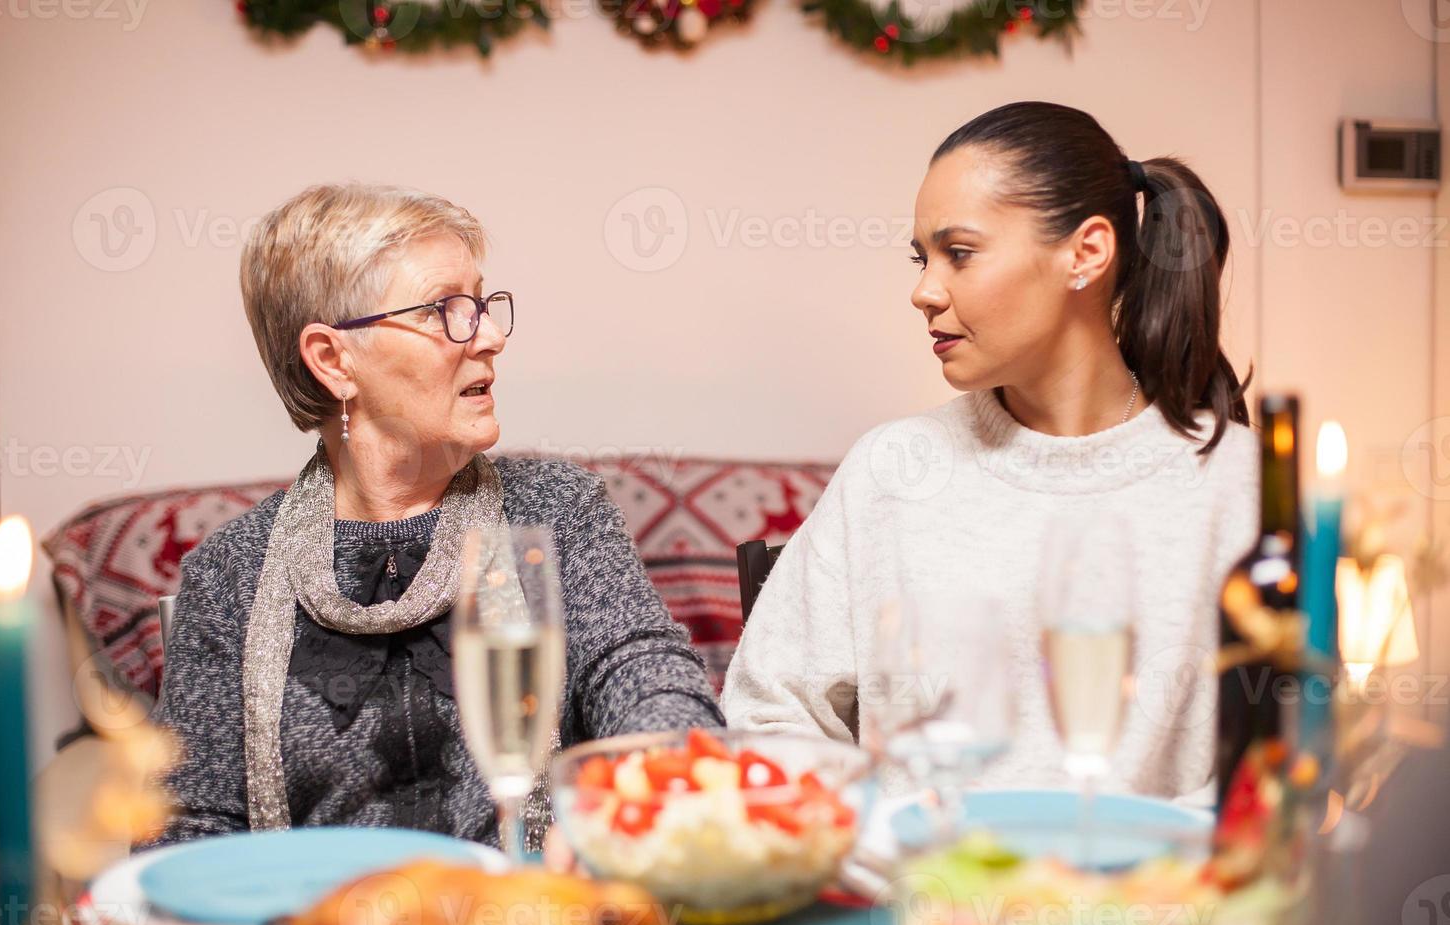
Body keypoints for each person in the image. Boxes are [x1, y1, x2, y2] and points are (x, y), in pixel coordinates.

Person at [143, 183, 722, 850]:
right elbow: (185, 831)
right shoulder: (229, 575)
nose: (494, 337)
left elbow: (648, 682)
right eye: (446, 310)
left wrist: (628, 812)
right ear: (334, 361)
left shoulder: (555, 513)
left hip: (529, 923)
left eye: (481, 304)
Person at [722, 102, 1258, 799]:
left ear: (1086, 253)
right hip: (917, 896)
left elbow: (1279, 764)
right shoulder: (892, 471)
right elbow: (769, 716)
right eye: (922, 259)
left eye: (960, 253)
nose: (923, 290)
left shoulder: (1235, 483)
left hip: (1151, 903)